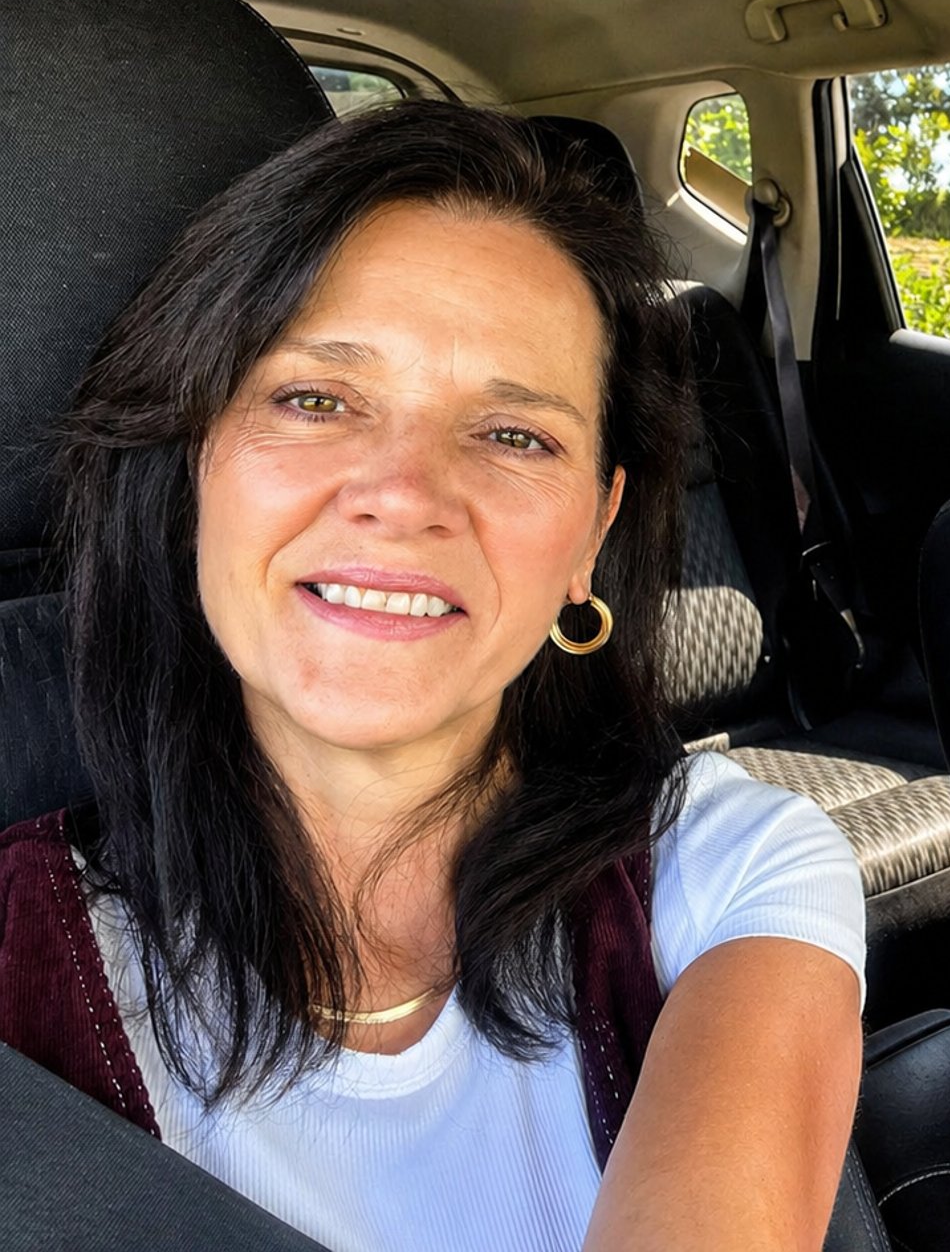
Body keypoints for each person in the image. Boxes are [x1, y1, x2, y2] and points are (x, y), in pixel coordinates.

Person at [0, 101, 866, 1252]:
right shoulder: (19, 948)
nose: (404, 497)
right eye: (315, 399)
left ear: (592, 529)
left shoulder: (729, 868)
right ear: (194, 459)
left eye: (514, 435)